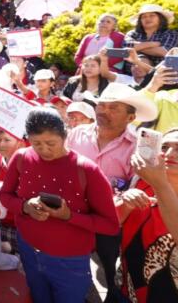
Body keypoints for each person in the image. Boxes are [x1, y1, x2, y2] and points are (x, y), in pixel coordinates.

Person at [0, 108, 119, 303]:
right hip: (29, 250)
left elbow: (110, 225)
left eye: (51, 143)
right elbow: (5, 196)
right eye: (36, 143)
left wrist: (68, 216)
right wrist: (25, 207)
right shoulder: (21, 157)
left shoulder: (87, 170)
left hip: (69, 261)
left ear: (65, 136)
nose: (44, 150)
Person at [66, 83, 159, 302]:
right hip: (72, 215)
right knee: (71, 262)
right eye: (102, 105)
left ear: (130, 117)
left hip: (111, 219)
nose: (104, 111)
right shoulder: (77, 133)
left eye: (113, 108)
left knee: (111, 267)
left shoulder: (138, 146)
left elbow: (137, 187)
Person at [118, 127, 178, 303]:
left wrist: (160, 185)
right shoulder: (142, 185)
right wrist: (126, 203)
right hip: (128, 293)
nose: (168, 153)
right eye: (163, 147)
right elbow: (110, 224)